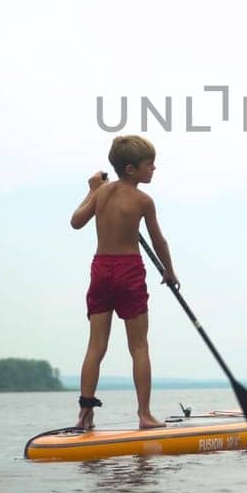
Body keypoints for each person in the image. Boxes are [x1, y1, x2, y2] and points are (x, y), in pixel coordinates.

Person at [68, 134, 178, 431]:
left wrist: (91, 191)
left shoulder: (101, 194)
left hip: (101, 269)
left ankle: (85, 414)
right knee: (139, 346)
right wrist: (169, 271)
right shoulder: (143, 200)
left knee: (95, 347)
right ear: (131, 169)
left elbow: (76, 221)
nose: (154, 168)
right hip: (128, 270)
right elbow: (158, 241)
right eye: (149, 164)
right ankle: (144, 414)